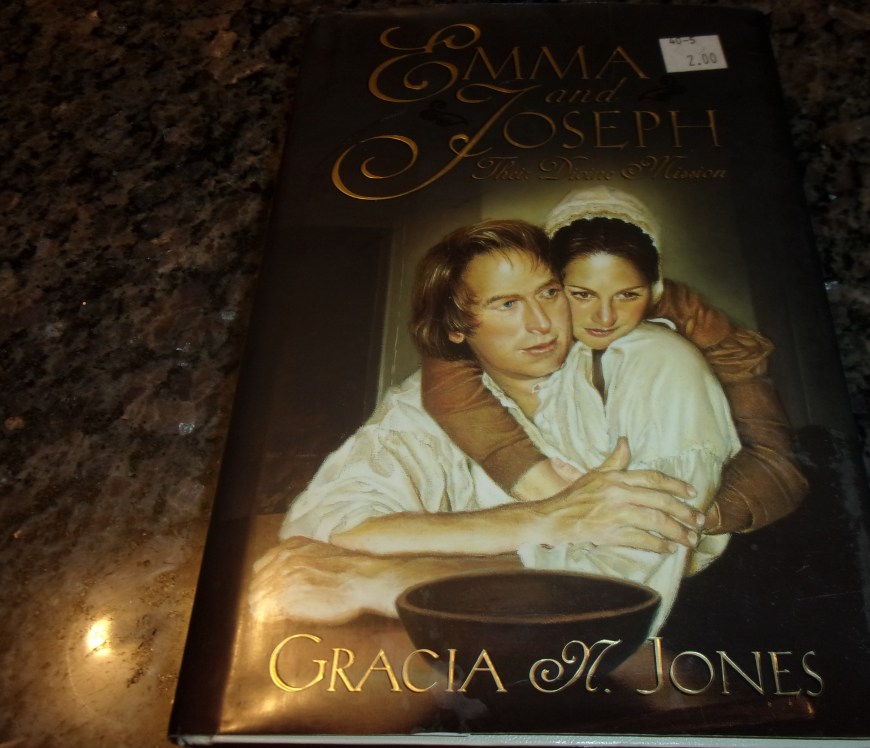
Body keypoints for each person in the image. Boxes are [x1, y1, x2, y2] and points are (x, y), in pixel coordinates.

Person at [249, 219, 739, 628]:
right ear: (456, 328)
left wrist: (378, 580)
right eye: (507, 304)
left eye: (550, 293)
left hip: (684, 641)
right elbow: (329, 524)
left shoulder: (654, 362)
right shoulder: (423, 403)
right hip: (484, 648)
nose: (542, 323)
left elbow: (626, 579)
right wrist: (543, 519)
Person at [420, 186, 808, 537]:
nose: (604, 317)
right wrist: (545, 488)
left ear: (653, 291)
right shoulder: (520, 330)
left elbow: (776, 461)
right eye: (580, 294)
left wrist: (685, 519)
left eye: (627, 295)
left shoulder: (680, 324)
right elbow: (448, 366)